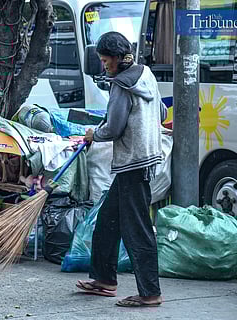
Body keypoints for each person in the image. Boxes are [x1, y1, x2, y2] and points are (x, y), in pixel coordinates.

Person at [76, 31, 167, 307]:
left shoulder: (121, 85)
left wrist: (94, 134)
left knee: (137, 230)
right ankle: (104, 280)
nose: (104, 66)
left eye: (105, 61)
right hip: (145, 158)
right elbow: (161, 113)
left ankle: (150, 292)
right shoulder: (146, 75)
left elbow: (114, 127)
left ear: (116, 59)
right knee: (107, 222)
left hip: (133, 164)